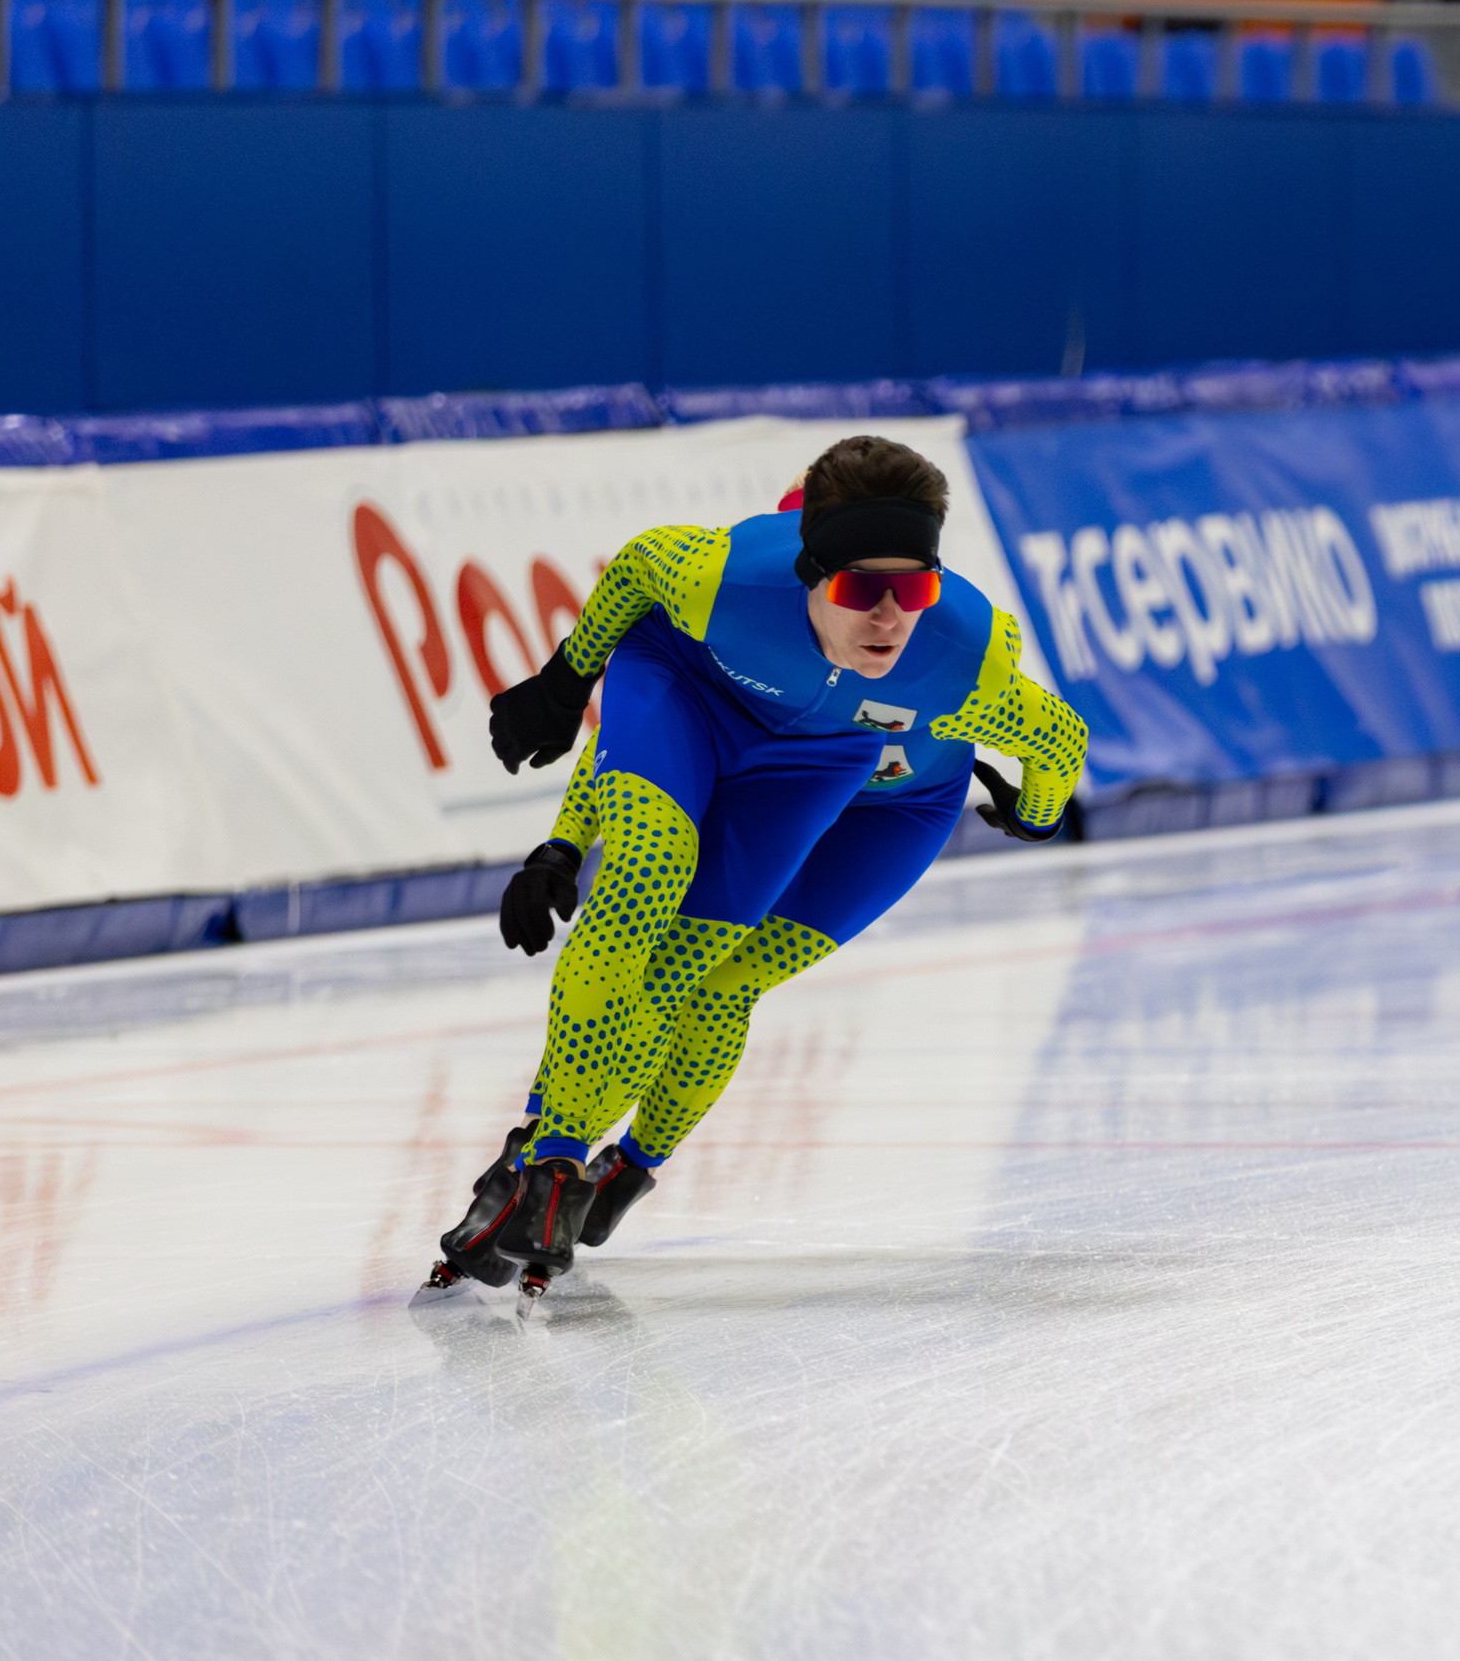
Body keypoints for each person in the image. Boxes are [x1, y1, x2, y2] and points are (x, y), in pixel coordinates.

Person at [421, 435, 1089, 1303]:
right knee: (648, 884)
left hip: (861, 788)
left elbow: (1060, 740)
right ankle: (547, 1160)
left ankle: (617, 1171)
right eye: (859, 588)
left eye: (912, 589)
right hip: (727, 721)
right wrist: (564, 818)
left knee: (713, 978)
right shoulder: (727, 584)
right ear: (805, 570)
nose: (888, 616)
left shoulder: (964, 656)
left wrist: (1031, 814)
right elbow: (636, 586)